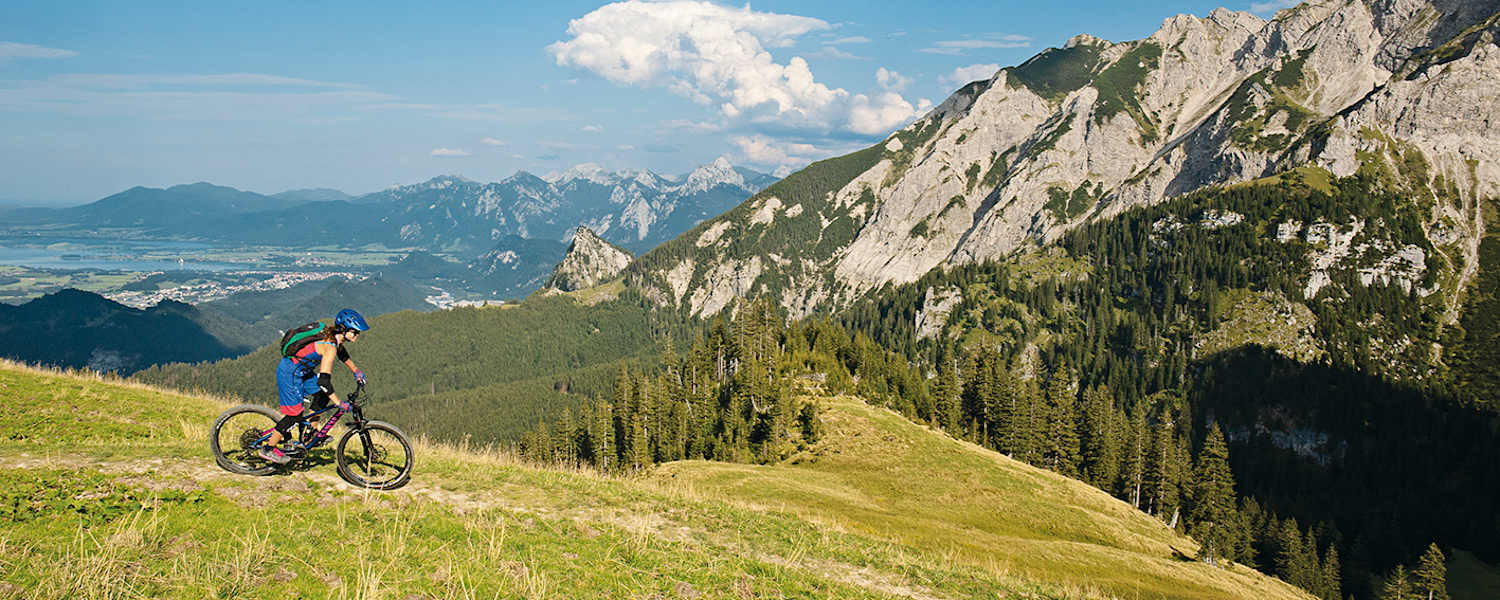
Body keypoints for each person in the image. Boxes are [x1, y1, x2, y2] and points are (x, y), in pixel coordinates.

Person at [260, 308, 370, 464]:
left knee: (322, 395)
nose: (357, 335)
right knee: (295, 414)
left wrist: (356, 371)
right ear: (344, 330)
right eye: (355, 332)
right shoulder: (330, 347)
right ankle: (268, 449)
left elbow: (342, 353)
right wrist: (338, 403)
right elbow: (324, 381)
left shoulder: (334, 337)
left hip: (302, 371)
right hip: (290, 372)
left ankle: (311, 431)